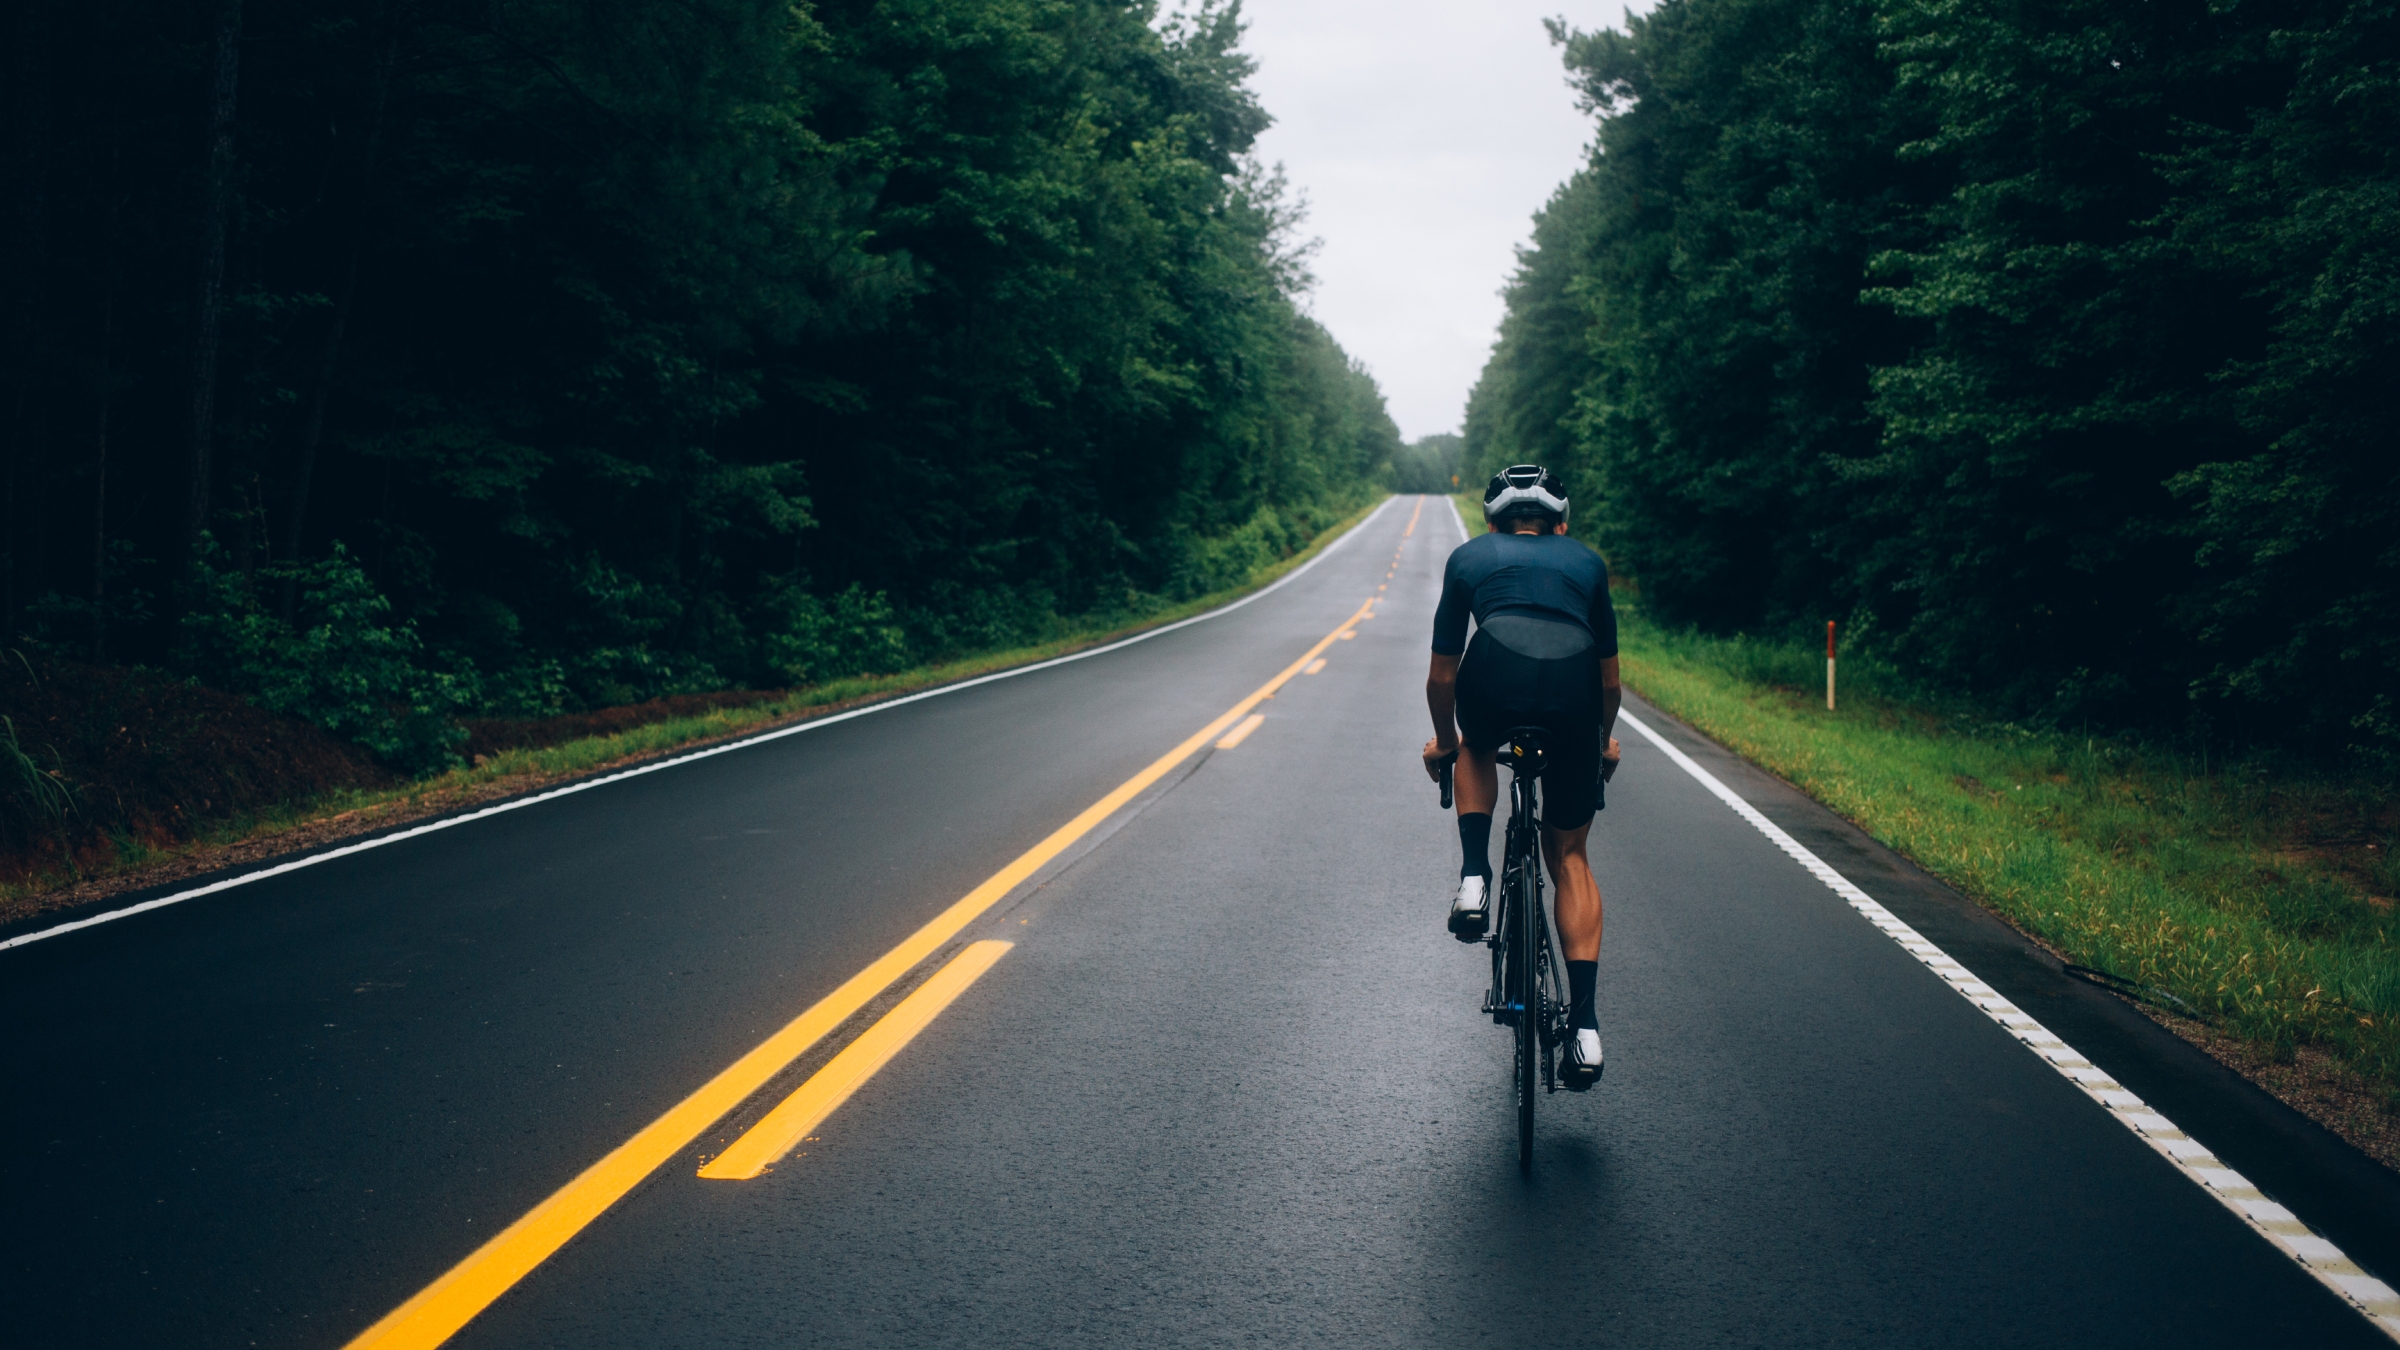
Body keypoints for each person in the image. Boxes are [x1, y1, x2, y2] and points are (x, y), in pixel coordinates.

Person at [1421, 465, 1622, 1089]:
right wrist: (1600, 741)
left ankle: (1475, 878)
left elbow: (1442, 678)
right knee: (1570, 857)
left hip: (1494, 676)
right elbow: (1611, 683)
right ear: (1561, 522)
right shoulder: (1588, 564)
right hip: (1575, 692)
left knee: (1478, 743)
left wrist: (1449, 742)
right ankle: (1585, 1030)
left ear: (1491, 521)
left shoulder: (1467, 558)